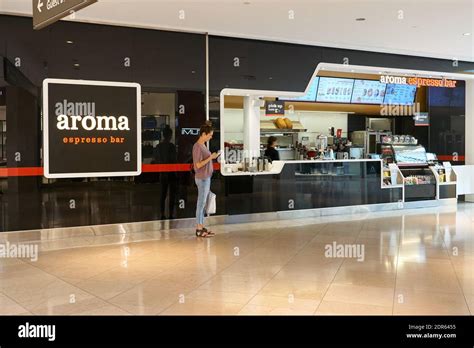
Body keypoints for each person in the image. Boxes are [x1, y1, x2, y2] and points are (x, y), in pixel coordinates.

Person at [192, 122, 219, 238]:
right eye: (210, 135)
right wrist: (211, 158)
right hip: (202, 178)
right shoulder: (198, 146)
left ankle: (201, 226)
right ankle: (199, 229)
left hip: (205, 178)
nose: (211, 137)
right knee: (201, 203)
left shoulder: (202, 146)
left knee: (203, 203)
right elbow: (197, 165)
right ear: (203, 134)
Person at [155, 125, 177, 220]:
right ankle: (171, 214)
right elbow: (174, 159)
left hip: (162, 173)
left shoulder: (158, 146)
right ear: (170, 135)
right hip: (171, 173)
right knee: (172, 194)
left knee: (162, 194)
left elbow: (156, 159)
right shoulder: (172, 146)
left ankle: (162, 214)